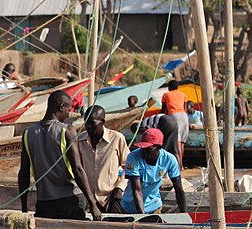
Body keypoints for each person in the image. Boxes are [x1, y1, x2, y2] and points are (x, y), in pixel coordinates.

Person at [19, 90, 102, 221]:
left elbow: (23, 173)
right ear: (61, 107)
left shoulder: (28, 133)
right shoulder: (67, 130)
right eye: (68, 110)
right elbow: (77, 168)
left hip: (44, 203)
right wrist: (92, 203)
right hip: (70, 200)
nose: (69, 114)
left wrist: (24, 207)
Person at [120, 127, 187, 214]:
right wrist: (141, 216)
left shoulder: (169, 159)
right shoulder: (133, 157)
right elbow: (137, 190)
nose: (144, 151)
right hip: (130, 208)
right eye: (142, 148)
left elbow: (178, 189)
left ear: (159, 147)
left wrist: (184, 214)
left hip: (154, 206)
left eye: (149, 149)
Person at [76, 105, 130, 213]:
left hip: (112, 198)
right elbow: (77, 168)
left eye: (92, 123)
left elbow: (129, 166)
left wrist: (120, 187)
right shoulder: (79, 141)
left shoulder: (116, 138)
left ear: (103, 121)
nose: (88, 126)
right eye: (86, 123)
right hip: (89, 200)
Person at [161, 80, 189, 168]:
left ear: (169, 87)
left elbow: (163, 110)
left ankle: (179, 165)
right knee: (182, 143)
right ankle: (182, 164)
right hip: (184, 117)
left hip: (173, 116)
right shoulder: (183, 95)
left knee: (177, 142)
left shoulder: (166, 95)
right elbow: (185, 109)